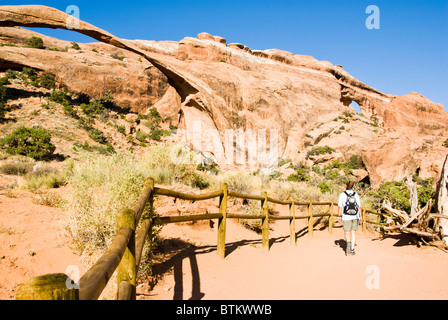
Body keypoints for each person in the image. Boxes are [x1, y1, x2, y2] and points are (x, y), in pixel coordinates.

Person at [338, 181, 362, 256]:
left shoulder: (342, 194)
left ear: (346, 186)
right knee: (353, 232)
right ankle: (352, 248)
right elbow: (359, 207)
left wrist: (339, 216)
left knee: (347, 232)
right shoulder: (356, 195)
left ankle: (348, 242)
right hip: (355, 216)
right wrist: (360, 217)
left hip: (346, 216)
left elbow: (340, 207)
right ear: (352, 187)